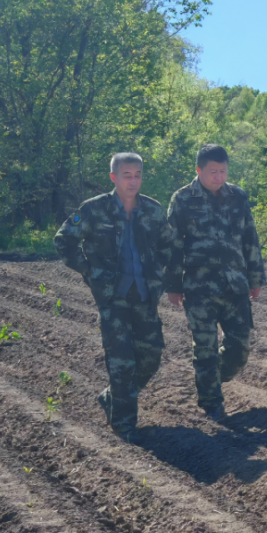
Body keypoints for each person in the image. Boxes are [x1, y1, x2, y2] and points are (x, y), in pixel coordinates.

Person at [54, 152, 174, 439]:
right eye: (126, 175)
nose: (133, 181)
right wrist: (89, 271)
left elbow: (168, 245)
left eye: (137, 175)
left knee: (151, 355)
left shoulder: (154, 210)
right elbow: (64, 239)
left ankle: (112, 396)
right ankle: (124, 425)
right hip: (112, 296)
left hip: (144, 294)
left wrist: (157, 275)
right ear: (113, 177)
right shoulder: (94, 209)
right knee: (121, 361)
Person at [165, 144, 266, 421]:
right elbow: (172, 244)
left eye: (223, 171)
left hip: (235, 285)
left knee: (240, 348)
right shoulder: (183, 199)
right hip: (198, 287)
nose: (219, 177)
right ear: (198, 170)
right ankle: (211, 402)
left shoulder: (238, 197)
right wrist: (173, 284)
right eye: (213, 172)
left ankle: (209, 381)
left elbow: (250, 238)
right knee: (205, 346)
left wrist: (256, 277)